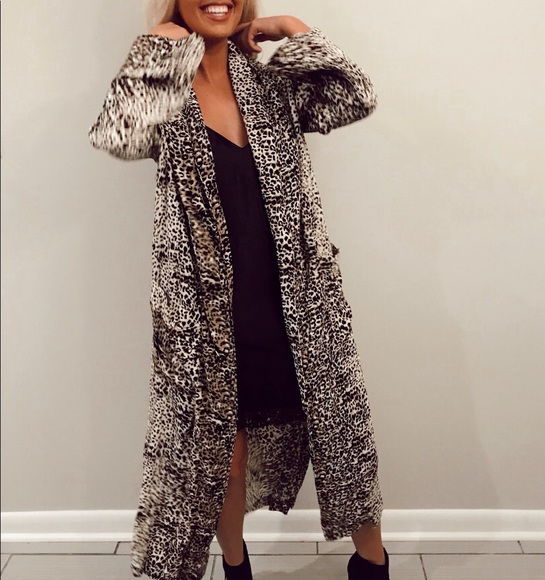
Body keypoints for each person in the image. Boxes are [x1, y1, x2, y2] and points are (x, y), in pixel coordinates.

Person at [89, 1, 390, 579]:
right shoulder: (165, 85)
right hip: (205, 314)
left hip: (300, 300)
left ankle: (372, 563)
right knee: (222, 458)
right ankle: (235, 566)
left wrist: (294, 30)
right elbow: (119, 136)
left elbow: (353, 98)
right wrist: (156, 50)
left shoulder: (270, 81)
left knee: (342, 437)